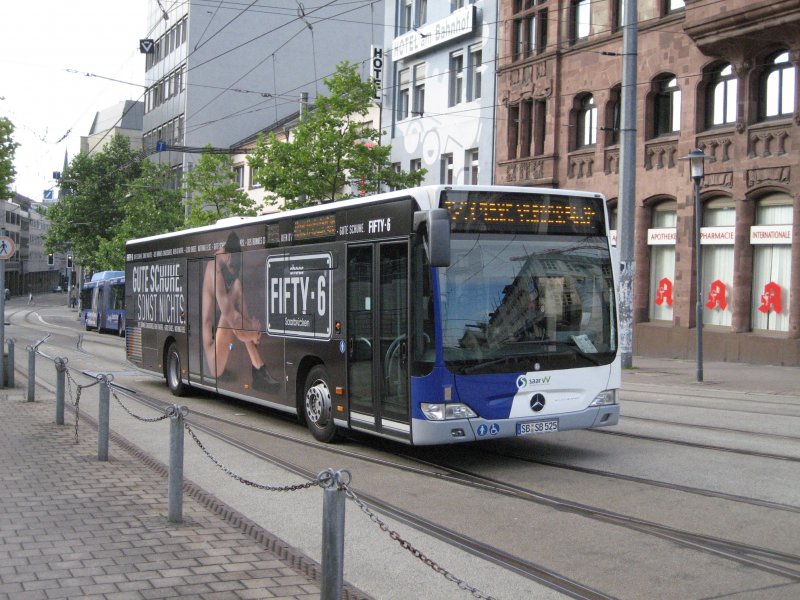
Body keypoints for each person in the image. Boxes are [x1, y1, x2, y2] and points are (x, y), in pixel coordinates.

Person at [201, 231, 279, 393]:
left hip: (219, 340)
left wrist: (250, 326)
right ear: (228, 256)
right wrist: (254, 333)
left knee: (236, 289)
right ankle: (258, 368)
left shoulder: (223, 263)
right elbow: (234, 321)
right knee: (232, 306)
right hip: (213, 361)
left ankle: (258, 367)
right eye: (232, 267)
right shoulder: (214, 269)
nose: (232, 271)